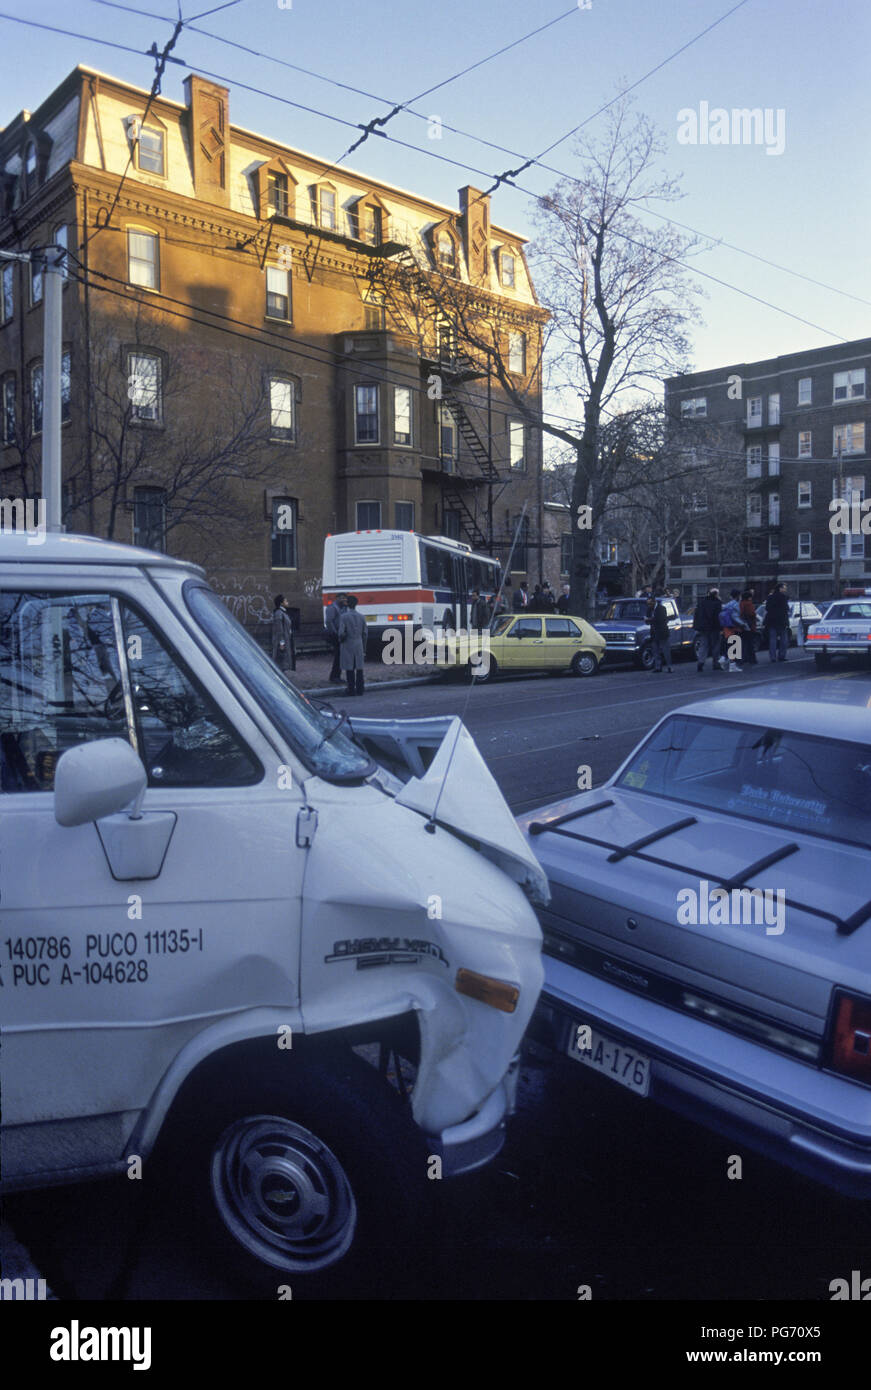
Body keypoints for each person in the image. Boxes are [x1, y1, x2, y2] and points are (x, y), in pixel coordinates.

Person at [338, 594, 367, 696]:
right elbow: (365, 634)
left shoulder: (343, 617)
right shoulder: (362, 617)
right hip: (359, 644)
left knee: (349, 668)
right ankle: (360, 689)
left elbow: (341, 632)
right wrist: (364, 647)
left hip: (348, 644)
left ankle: (351, 689)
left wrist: (340, 639)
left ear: (347, 604)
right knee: (359, 668)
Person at [693, 586, 723, 671]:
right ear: (716, 594)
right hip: (714, 628)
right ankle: (715, 663)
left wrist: (697, 626)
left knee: (703, 645)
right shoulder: (717, 603)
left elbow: (697, 615)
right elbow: (718, 617)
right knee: (715, 646)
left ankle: (701, 662)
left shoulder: (702, 602)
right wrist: (720, 628)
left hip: (703, 628)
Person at [720, 589, 747, 671]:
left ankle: (723, 658)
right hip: (734, 627)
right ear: (738, 596)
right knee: (734, 646)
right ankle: (731, 665)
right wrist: (743, 624)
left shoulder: (727, 604)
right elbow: (735, 617)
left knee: (730, 645)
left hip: (726, 627)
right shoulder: (736, 605)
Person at [271, 593, 296, 674]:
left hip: (287, 638)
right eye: (286, 601)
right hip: (283, 640)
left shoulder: (283, 612)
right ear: (281, 603)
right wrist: (281, 642)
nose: (287, 602)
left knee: (285, 658)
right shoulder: (279, 613)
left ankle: (282, 672)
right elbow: (279, 629)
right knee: (281, 658)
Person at [325, 592, 346, 682]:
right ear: (337, 598)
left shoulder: (344, 608)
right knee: (338, 656)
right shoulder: (332, 608)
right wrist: (336, 634)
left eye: (345, 598)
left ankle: (337, 676)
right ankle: (334, 676)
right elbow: (329, 622)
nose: (344, 600)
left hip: (340, 635)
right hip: (335, 635)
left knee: (340, 656)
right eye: (342, 598)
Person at [766, 583, 790, 662]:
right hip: (781, 621)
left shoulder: (770, 597)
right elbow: (786, 609)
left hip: (771, 621)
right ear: (780, 588)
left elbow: (767, 608)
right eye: (784, 588)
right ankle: (781, 656)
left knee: (772, 640)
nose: (785, 589)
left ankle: (772, 657)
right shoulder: (783, 597)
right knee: (784, 640)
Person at [648, 596, 672, 672]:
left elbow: (661, 619)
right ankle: (658, 667)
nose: (649, 605)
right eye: (648, 603)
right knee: (655, 650)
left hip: (662, 632)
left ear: (654, 602)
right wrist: (649, 619)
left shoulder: (661, 608)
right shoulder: (649, 609)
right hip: (654, 632)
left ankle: (669, 667)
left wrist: (650, 619)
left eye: (650, 603)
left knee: (666, 650)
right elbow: (648, 619)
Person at [739, 589, 758, 665]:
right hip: (749, 625)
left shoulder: (740, 604)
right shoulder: (749, 604)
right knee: (750, 643)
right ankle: (752, 659)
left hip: (742, 625)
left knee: (743, 643)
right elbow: (752, 614)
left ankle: (743, 659)